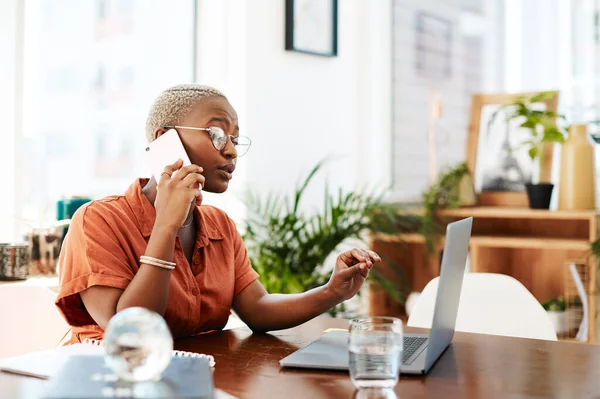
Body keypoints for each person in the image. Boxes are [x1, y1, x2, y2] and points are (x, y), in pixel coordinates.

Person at [56, 84, 381, 344]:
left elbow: (257, 309)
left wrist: (331, 291)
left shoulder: (218, 225)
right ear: (164, 140)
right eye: (216, 134)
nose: (231, 151)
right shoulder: (98, 220)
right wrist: (166, 226)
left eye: (235, 139)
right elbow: (131, 333)